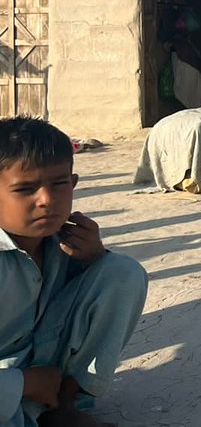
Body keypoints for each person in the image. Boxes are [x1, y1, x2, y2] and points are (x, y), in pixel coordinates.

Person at [1, 116, 148, 427]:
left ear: (74, 183)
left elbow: (91, 302)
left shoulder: (66, 242)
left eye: (59, 184)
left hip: (46, 372)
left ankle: (62, 408)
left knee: (120, 272)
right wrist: (23, 383)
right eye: (25, 189)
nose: (47, 200)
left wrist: (93, 258)